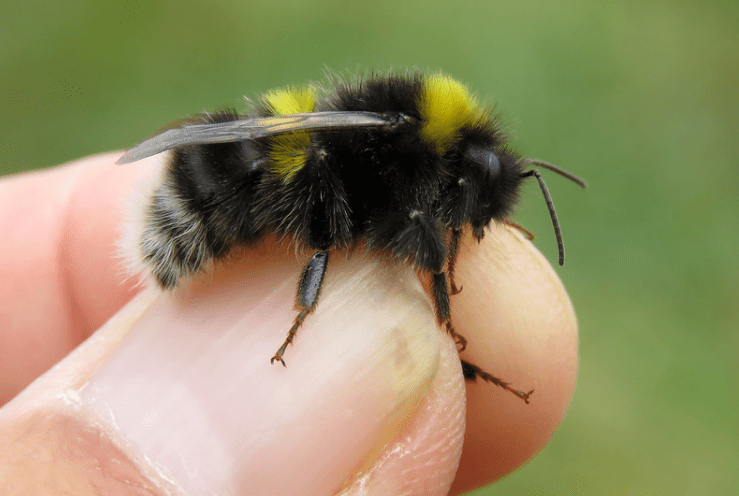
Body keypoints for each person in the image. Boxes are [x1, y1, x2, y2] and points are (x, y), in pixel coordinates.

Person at [0, 153, 578, 495]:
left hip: (239, 170)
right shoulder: (385, 166)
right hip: (226, 188)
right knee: (330, 203)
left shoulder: (400, 165)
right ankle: (306, 314)